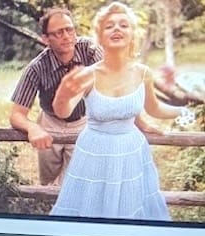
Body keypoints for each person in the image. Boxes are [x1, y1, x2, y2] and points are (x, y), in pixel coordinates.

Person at [50, 2, 182, 219]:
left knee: (129, 210)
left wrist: (186, 111)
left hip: (131, 152)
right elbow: (63, 112)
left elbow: (155, 108)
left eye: (124, 25)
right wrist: (62, 93)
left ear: (132, 35)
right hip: (93, 152)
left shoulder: (143, 73)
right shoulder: (87, 74)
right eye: (109, 26)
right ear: (100, 36)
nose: (117, 29)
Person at [9, 8, 102, 186]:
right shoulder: (36, 67)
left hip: (82, 122)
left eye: (70, 29)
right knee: (48, 181)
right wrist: (32, 128)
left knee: (73, 181)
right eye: (59, 33)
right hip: (50, 123)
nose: (67, 36)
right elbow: (16, 114)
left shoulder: (90, 50)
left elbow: (113, 79)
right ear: (46, 39)